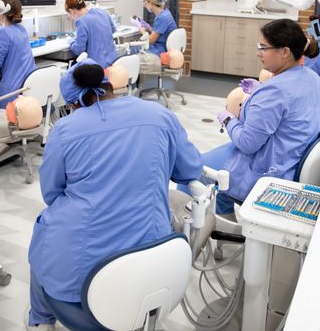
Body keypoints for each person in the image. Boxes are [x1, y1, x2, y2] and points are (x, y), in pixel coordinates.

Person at [26, 59, 202, 330]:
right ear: (108, 85)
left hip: (82, 270)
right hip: (153, 253)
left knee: (44, 232)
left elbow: (51, 193)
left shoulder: (65, 130)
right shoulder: (160, 115)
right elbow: (189, 169)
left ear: (74, 103)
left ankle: (40, 320)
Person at [181, 19, 320, 214]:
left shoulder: (274, 91)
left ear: (285, 51)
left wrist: (227, 118)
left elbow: (247, 143)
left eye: (264, 48)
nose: (258, 53)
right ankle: (224, 216)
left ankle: (194, 224)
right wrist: (260, 91)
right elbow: (288, 108)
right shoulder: (311, 77)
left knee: (188, 172)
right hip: (288, 157)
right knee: (216, 169)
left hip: (267, 169)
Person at [65, 0, 117, 67]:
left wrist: (71, 41)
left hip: (97, 67)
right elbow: (113, 29)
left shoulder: (81, 21)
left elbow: (79, 49)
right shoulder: (101, 12)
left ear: (71, 11)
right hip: (113, 64)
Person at [137, 0, 178, 75]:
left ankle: (133, 82)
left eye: (145, 2)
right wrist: (148, 27)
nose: (145, 5)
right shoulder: (165, 13)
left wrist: (142, 31)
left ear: (151, 2)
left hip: (160, 49)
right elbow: (159, 32)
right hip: (163, 45)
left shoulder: (161, 18)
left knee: (134, 53)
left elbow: (151, 41)